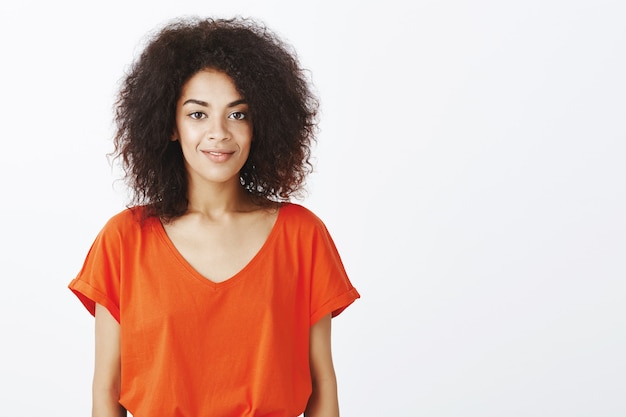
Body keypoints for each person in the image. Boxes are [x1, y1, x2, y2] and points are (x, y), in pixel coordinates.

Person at [68, 16, 359, 417]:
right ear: (170, 125)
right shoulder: (123, 239)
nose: (219, 132)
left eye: (237, 114)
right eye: (198, 114)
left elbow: (323, 383)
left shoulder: (302, 235)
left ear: (261, 125)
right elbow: (106, 390)